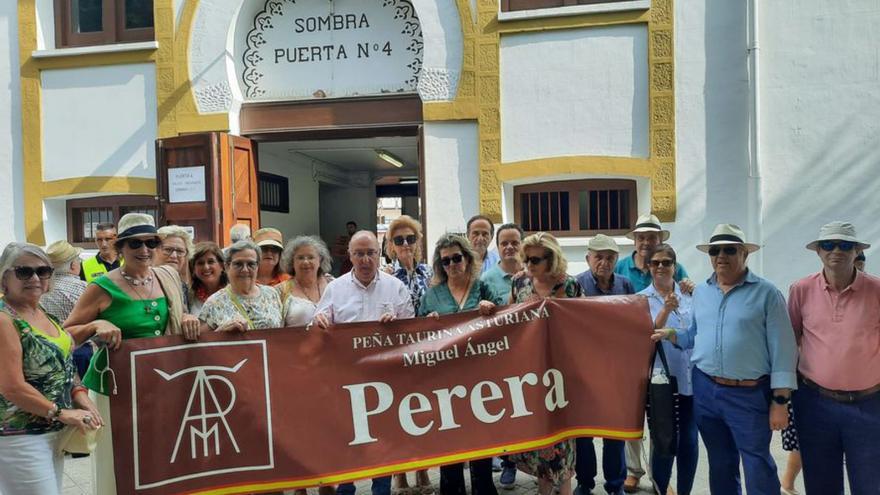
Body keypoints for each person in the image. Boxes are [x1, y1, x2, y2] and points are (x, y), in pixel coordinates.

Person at [652, 224, 797, 495]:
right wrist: (673, 334)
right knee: (720, 463)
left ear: (744, 254)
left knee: (756, 463)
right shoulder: (702, 292)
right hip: (706, 390)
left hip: (749, 393)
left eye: (729, 249)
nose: (721, 256)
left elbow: (784, 351)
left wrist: (780, 401)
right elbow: (695, 335)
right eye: (715, 250)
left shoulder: (767, 294)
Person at [64, 213, 200, 495]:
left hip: (160, 381)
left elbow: (172, 318)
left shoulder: (166, 277)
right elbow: (65, 335)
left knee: (159, 452)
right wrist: (95, 324)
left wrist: (186, 316)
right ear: (121, 247)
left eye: (151, 242)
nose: (145, 250)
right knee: (122, 456)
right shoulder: (102, 286)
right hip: (116, 386)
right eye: (136, 243)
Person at [313, 230, 414, 495]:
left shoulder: (396, 287)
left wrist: (398, 327)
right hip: (347, 380)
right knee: (349, 437)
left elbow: (412, 331)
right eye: (359, 253)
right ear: (350, 256)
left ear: (379, 254)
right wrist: (319, 323)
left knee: (383, 440)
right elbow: (318, 322)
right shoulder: (335, 288)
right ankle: (346, 488)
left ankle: (381, 490)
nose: (365, 259)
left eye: (370, 253)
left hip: (386, 380)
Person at [0, 243, 102, 495]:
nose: (35, 278)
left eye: (43, 271)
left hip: (49, 432)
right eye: (24, 272)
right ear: (5, 277)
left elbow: (63, 365)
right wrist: (61, 413)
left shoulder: (41, 312)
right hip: (20, 436)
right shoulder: (5, 319)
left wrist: (80, 395)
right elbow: (11, 386)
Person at [788, 221, 879, 494]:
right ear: (818, 252)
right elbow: (790, 341)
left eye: (845, 245)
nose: (836, 251)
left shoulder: (877, 291)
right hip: (816, 404)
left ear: (856, 252)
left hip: (870, 405)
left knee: (870, 485)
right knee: (821, 485)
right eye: (828, 245)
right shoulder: (801, 290)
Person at [614, 214, 692, 492]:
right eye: (642, 237)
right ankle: (634, 470)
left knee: (663, 423)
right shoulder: (621, 267)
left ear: (659, 239)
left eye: (651, 236)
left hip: (666, 358)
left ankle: (662, 478)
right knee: (633, 417)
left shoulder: (676, 269)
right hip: (632, 353)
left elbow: (684, 296)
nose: (646, 241)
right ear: (635, 240)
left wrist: (689, 287)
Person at [419, 234, 501, 495]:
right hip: (445, 382)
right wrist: (427, 323)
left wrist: (493, 309)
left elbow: (504, 325)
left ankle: (483, 489)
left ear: (467, 258)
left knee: (481, 441)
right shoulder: (431, 296)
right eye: (446, 261)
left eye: (457, 257)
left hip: (480, 378)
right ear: (439, 265)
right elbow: (416, 336)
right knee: (449, 443)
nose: (452, 264)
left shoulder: (483, 288)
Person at [509, 232, 581, 495]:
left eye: (535, 260)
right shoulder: (519, 284)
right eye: (526, 259)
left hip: (561, 374)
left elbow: (583, 326)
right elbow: (508, 321)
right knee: (539, 444)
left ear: (552, 259)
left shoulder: (570, 286)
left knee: (562, 445)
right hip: (530, 374)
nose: (529, 265)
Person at [637, 244, 698, 495]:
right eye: (655, 263)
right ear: (649, 267)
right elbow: (644, 336)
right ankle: (661, 489)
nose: (661, 267)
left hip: (692, 379)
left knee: (689, 442)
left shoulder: (693, 294)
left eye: (666, 262)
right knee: (663, 441)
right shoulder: (641, 299)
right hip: (662, 381)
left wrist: (693, 294)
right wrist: (666, 309)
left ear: (675, 266)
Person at [380, 216, 433, 494]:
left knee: (421, 414)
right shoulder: (385, 276)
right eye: (399, 240)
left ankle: (423, 469)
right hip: (395, 356)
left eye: (410, 239)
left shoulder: (431, 273)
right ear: (390, 244)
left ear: (418, 242)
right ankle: (398, 473)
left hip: (424, 355)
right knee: (395, 417)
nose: (405, 244)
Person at [573, 234, 630, 495]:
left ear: (616, 260)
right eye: (599, 257)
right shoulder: (576, 285)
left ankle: (615, 485)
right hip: (584, 371)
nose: (604, 262)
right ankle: (585, 482)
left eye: (610, 258)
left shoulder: (626, 285)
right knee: (584, 433)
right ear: (588, 258)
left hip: (616, 370)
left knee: (614, 431)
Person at [478, 222, 523, 489]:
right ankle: (509, 464)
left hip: (528, 354)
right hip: (499, 356)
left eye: (514, 242)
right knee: (506, 412)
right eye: (504, 243)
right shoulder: (486, 280)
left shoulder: (532, 274)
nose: (509, 247)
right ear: (498, 246)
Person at [198, 240, 283, 333]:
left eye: (251, 264)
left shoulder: (272, 294)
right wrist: (222, 331)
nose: (245, 270)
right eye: (238, 264)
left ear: (258, 266)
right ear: (227, 267)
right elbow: (203, 342)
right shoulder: (214, 302)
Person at [40, 240, 90, 377]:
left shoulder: (41, 289)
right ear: (73, 265)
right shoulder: (83, 288)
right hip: (81, 349)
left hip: (49, 350)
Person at [277, 236, 333, 327]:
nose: (306, 262)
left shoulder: (333, 284)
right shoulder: (280, 291)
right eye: (300, 258)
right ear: (292, 262)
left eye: (311, 257)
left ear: (320, 260)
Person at [156, 225, 194, 309]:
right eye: (168, 250)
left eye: (180, 251)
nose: (174, 256)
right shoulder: (144, 282)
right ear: (154, 250)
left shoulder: (183, 287)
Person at [188, 242, 227, 315]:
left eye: (211, 262)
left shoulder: (233, 292)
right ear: (193, 269)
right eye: (200, 263)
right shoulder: (188, 297)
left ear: (222, 266)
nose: (206, 267)